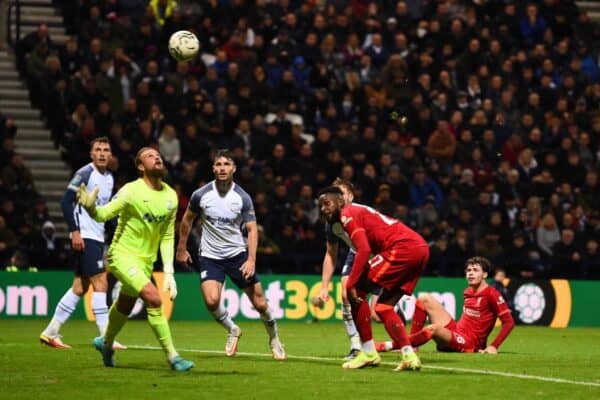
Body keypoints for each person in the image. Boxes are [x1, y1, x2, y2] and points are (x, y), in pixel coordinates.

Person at [76, 147, 193, 371]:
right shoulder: (130, 191)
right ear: (140, 167)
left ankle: (106, 343)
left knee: (125, 305)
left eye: (158, 154)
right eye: (150, 156)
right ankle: (173, 357)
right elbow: (103, 214)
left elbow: (167, 235)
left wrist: (168, 270)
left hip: (145, 261)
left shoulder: (171, 196)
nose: (157, 156)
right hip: (122, 255)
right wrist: (91, 208)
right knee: (154, 298)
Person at [176, 149, 286, 360]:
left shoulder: (242, 198)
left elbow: (253, 230)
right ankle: (232, 329)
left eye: (226, 164)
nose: (222, 168)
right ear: (213, 169)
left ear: (234, 168)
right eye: (218, 164)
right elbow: (187, 219)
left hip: (237, 255)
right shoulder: (201, 195)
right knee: (211, 301)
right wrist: (182, 248)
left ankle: (274, 339)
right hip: (210, 256)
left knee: (261, 304)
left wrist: (251, 260)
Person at [318, 186, 428, 371]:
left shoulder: (348, 213)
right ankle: (409, 355)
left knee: (356, 291)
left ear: (340, 202)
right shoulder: (343, 219)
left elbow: (364, 249)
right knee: (383, 307)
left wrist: (351, 283)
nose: (323, 209)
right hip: (419, 248)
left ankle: (368, 352)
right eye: (320, 206)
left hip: (401, 248)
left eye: (327, 203)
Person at [40, 137, 125, 349]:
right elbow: (65, 202)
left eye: (106, 150)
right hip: (85, 236)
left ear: (110, 154)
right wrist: (75, 231)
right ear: (91, 154)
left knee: (80, 286)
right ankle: (106, 337)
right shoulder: (85, 173)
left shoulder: (110, 178)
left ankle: (51, 332)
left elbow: (106, 210)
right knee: (101, 283)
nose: (103, 153)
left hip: (96, 235)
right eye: (98, 150)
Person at [377, 257, 514, 354]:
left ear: (484, 274)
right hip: (457, 331)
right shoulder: (468, 291)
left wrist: (493, 346)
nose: (470, 273)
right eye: (468, 270)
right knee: (424, 298)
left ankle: (388, 346)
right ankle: (413, 346)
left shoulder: (492, 294)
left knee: (434, 328)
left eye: (475, 270)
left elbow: (509, 322)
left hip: (470, 343)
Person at [317, 178, 361, 360]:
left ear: (350, 196)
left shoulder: (361, 213)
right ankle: (356, 345)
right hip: (356, 252)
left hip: (377, 253)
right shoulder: (332, 223)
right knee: (345, 294)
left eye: (341, 194)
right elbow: (330, 254)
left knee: (378, 312)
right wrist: (324, 286)